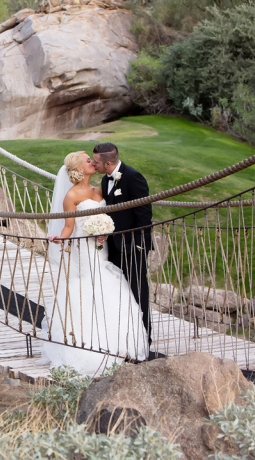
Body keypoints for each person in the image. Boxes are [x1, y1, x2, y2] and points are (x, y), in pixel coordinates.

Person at [42, 151, 148, 375]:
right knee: (88, 287)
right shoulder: (71, 195)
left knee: (107, 285)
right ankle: (88, 346)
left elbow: (107, 218)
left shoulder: (100, 189)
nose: (92, 162)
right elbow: (69, 227)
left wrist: (103, 232)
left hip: (101, 248)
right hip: (83, 251)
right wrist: (59, 238)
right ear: (79, 169)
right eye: (88, 160)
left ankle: (118, 345)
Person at [91, 142, 154, 348]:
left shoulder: (133, 177)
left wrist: (140, 245)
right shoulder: (105, 179)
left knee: (137, 291)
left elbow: (144, 214)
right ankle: (124, 339)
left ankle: (144, 339)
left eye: (96, 162)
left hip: (133, 247)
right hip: (113, 248)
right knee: (118, 292)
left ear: (108, 163)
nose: (93, 164)